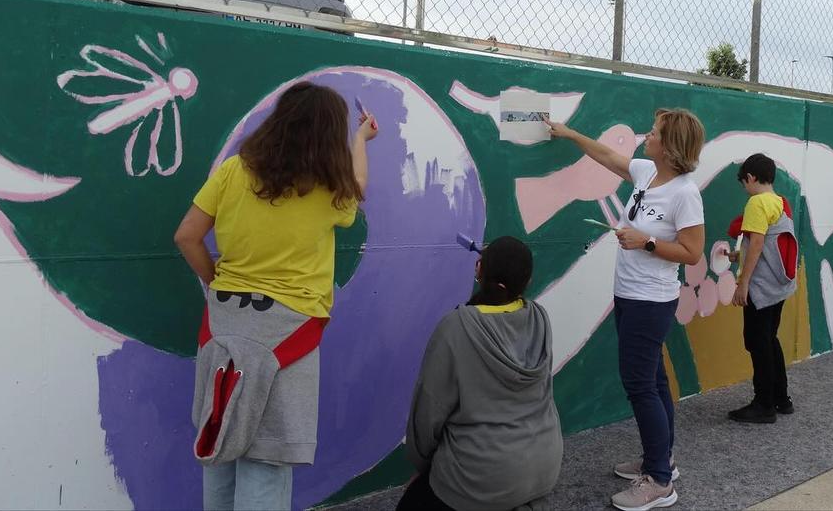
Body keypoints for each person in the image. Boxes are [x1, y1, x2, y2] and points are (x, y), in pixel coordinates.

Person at [173, 82, 377, 511]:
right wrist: (361, 140)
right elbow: (359, 186)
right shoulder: (329, 188)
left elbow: (187, 236)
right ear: (326, 134)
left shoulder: (233, 171)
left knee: (220, 440)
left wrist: (216, 285)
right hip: (290, 332)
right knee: (267, 459)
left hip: (223, 325)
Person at [546, 109, 705, 511]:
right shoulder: (646, 174)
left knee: (639, 385)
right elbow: (606, 156)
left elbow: (692, 252)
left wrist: (646, 243)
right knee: (653, 380)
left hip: (652, 301)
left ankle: (660, 483)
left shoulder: (685, 193)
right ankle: (661, 459)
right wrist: (568, 134)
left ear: (669, 149)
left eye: (653, 134)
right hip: (630, 295)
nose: (646, 137)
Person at [399, 236, 562, 511]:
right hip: (545, 465)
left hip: (480, 475)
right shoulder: (539, 318)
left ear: (478, 269)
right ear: (528, 281)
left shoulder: (455, 327)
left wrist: (428, 467)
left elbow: (428, 415)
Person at [725, 153, 798, 424]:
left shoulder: (756, 202)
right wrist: (738, 256)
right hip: (779, 286)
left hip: (761, 288)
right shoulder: (780, 202)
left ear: (751, 177)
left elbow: (756, 244)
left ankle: (763, 403)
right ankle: (781, 398)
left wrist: (742, 282)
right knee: (769, 339)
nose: (745, 188)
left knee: (757, 343)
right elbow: (765, 244)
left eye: (744, 182)